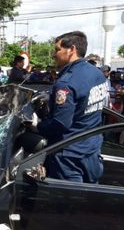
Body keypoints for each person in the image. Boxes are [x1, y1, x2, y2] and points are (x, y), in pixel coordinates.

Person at [32, 31, 110, 183]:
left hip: (68, 155)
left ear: (71, 49)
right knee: (89, 199)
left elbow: (60, 124)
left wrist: (37, 126)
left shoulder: (66, 82)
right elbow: (86, 103)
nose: (54, 55)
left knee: (68, 202)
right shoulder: (97, 74)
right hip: (91, 148)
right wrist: (53, 99)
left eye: (57, 50)